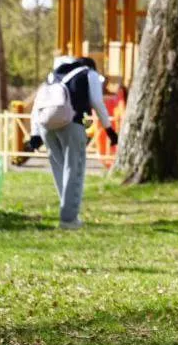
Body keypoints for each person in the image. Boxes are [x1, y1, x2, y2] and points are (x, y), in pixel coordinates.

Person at [25, 57, 117, 229]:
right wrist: (109, 129)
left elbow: (38, 104)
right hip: (72, 124)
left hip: (47, 126)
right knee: (74, 170)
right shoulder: (89, 74)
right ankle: (69, 219)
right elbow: (96, 102)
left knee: (60, 170)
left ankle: (67, 211)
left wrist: (35, 133)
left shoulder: (53, 77)